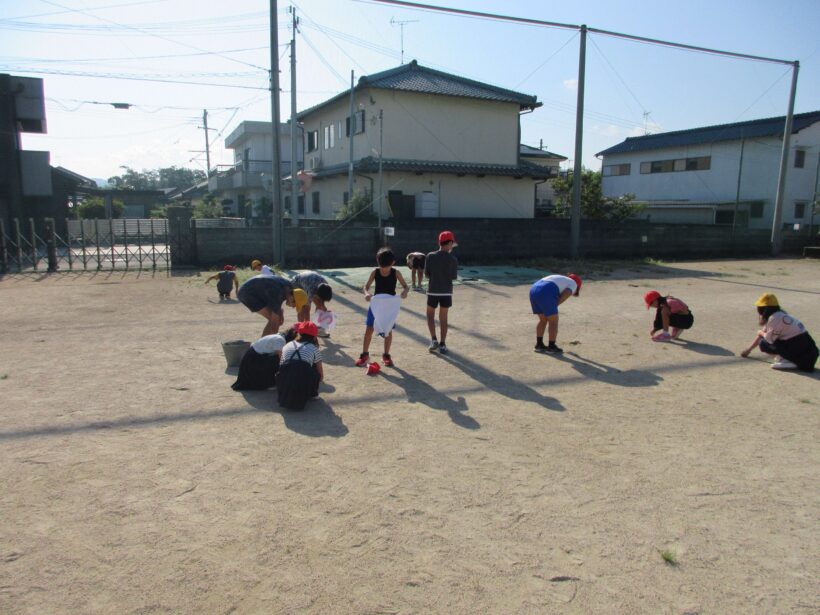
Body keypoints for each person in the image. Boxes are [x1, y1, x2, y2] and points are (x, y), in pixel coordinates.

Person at [355, 247, 410, 367]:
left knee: (388, 330)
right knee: (369, 329)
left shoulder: (396, 272)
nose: (384, 269)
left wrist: (405, 292)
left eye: (387, 266)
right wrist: (366, 294)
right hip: (376, 305)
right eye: (382, 266)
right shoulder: (375, 272)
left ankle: (386, 355)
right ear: (378, 262)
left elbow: (406, 286)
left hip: (389, 307)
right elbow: (366, 286)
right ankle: (364, 355)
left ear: (393, 263)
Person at [740, 293, 818, 371]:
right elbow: (764, 333)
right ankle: (788, 359)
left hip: (798, 349)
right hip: (808, 350)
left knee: (763, 344)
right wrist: (748, 350)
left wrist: (760, 332)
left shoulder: (775, 318)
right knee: (768, 340)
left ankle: (790, 361)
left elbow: (768, 339)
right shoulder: (780, 315)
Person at [231, 325, 298, 391]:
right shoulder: (280, 340)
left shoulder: (280, 335)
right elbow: (282, 360)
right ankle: (266, 383)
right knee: (279, 361)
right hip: (253, 362)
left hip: (253, 358)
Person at [529, 273, 582, 354]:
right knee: (553, 321)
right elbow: (566, 293)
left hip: (534, 289)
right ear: (578, 284)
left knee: (543, 320)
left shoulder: (560, 278)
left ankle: (539, 345)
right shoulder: (573, 283)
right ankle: (551, 347)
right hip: (546, 291)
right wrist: (553, 306)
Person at [424, 231, 459, 354]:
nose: (452, 246)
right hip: (446, 292)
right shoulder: (453, 259)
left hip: (433, 291)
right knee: (443, 318)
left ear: (439, 242)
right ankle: (443, 344)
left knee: (430, 316)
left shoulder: (430, 256)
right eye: (452, 243)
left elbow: (427, 275)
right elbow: (454, 277)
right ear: (449, 243)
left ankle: (433, 340)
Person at [277, 321, 324, 410]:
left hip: (285, 381)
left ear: (298, 333)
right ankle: (312, 394)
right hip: (302, 383)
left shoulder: (287, 345)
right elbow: (321, 376)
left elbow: (281, 367)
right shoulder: (314, 349)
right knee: (312, 368)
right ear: (314, 336)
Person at [236, 273, 296, 337]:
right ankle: (264, 344)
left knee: (276, 320)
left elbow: (277, 305)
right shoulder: (278, 293)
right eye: (294, 304)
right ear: (292, 297)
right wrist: (275, 341)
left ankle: (263, 342)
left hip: (257, 289)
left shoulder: (289, 288)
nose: (293, 307)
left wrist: (280, 314)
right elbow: (274, 327)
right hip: (246, 293)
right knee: (274, 321)